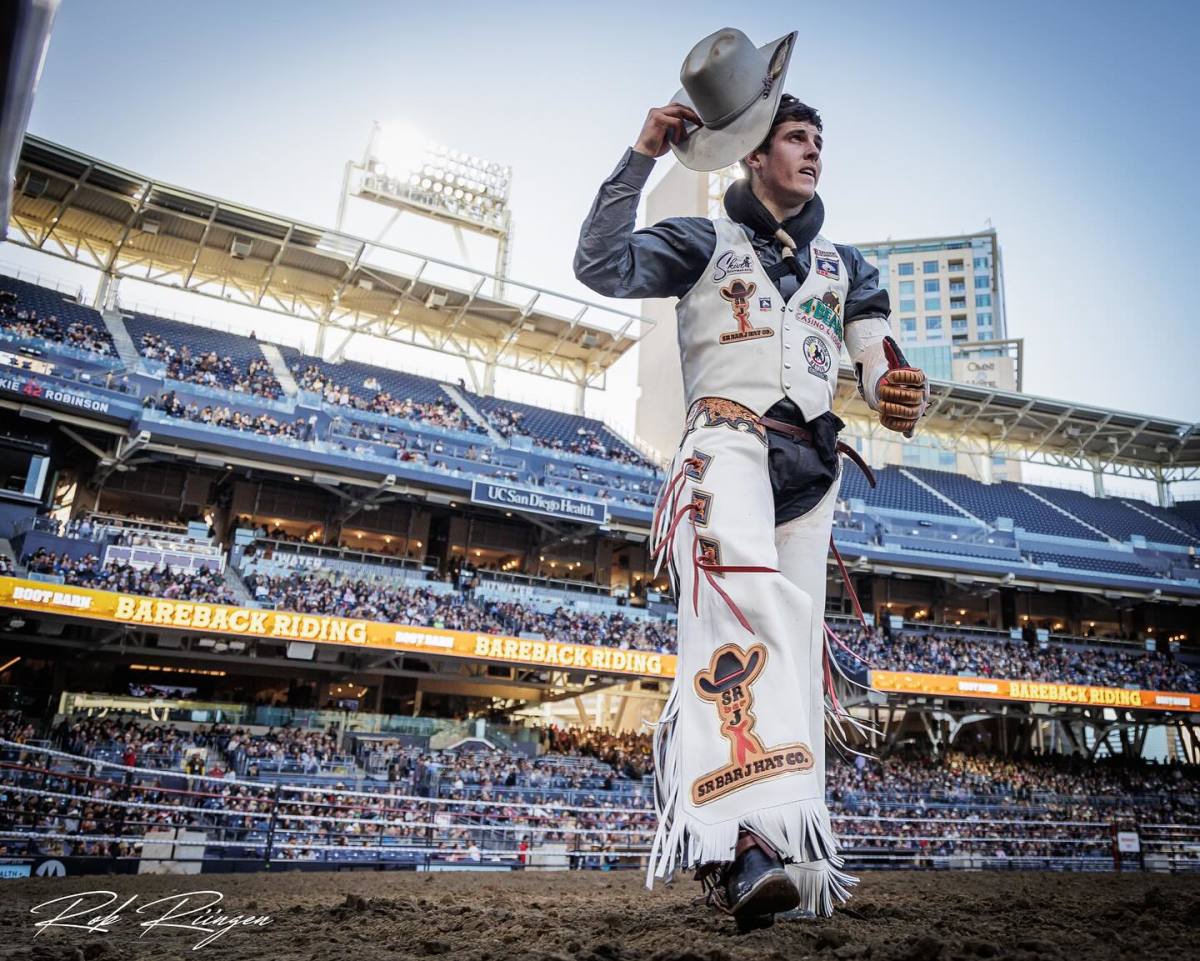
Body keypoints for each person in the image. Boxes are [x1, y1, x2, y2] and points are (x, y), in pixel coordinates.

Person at [574, 27, 928, 925]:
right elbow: (598, 265)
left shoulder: (848, 266)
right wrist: (639, 154)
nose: (814, 153)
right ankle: (738, 848)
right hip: (722, 449)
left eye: (819, 144)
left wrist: (897, 391)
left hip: (812, 467)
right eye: (798, 139)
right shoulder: (700, 237)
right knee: (742, 627)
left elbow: (877, 359)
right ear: (757, 148)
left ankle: (793, 855)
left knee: (795, 655)